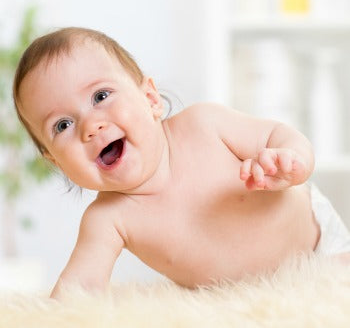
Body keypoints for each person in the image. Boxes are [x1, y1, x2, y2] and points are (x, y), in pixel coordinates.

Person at [13, 27, 350, 299]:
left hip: (320, 244)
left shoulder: (205, 125)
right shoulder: (107, 220)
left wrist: (290, 162)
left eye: (101, 96)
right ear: (55, 160)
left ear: (150, 99)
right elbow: (78, 293)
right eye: (62, 125)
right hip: (240, 301)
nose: (90, 126)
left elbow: (281, 135)